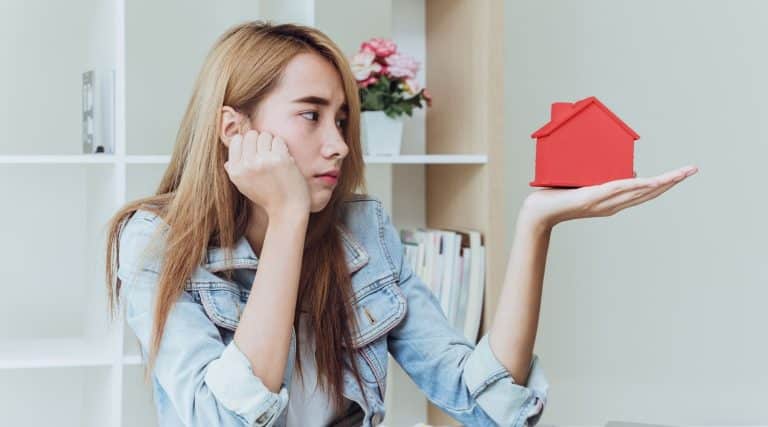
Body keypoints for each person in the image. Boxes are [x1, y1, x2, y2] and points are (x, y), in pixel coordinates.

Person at [105, 21, 698, 427]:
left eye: (342, 119)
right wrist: (286, 217)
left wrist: (535, 225)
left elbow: (485, 404)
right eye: (310, 116)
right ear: (234, 130)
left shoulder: (362, 232)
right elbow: (225, 419)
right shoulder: (154, 242)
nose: (338, 144)